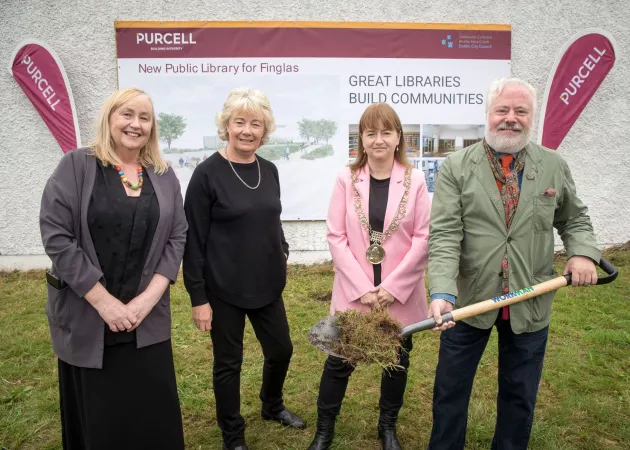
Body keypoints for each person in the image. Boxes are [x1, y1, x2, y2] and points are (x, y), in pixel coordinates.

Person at [427, 77, 601, 449]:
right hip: (469, 300)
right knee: (450, 393)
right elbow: (444, 235)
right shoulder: (457, 167)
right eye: (502, 110)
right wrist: (442, 290)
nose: (511, 118)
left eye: (521, 111)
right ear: (488, 115)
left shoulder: (552, 165)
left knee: (519, 395)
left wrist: (582, 252)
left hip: (531, 298)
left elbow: (574, 218)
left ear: (532, 117)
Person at [39, 87, 187, 449]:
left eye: (144, 118)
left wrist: (145, 302)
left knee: (153, 413)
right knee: (101, 421)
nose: (135, 124)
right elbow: (56, 235)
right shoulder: (77, 165)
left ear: (152, 127)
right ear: (109, 118)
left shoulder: (164, 175)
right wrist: (104, 303)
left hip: (145, 320)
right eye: (127, 114)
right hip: (89, 315)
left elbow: (177, 238)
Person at [183, 88, 306, 450]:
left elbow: (272, 218)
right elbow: (193, 241)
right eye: (240, 122)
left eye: (256, 124)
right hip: (224, 289)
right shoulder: (206, 175)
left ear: (264, 130)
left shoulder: (269, 170)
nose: (247, 131)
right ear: (227, 126)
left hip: (267, 284)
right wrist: (198, 297)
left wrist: (280, 249)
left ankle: (272, 405)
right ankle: (233, 436)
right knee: (228, 364)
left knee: (281, 350)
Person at [308, 103, 431, 450]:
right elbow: (336, 236)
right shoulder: (346, 179)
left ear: (398, 138)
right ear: (361, 139)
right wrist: (362, 289)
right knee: (339, 359)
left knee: (397, 360)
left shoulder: (415, 179)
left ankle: (387, 426)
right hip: (354, 291)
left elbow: (423, 237)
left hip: (399, 293)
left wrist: (392, 288)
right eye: (371, 132)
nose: (378, 140)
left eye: (386, 132)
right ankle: (324, 429)